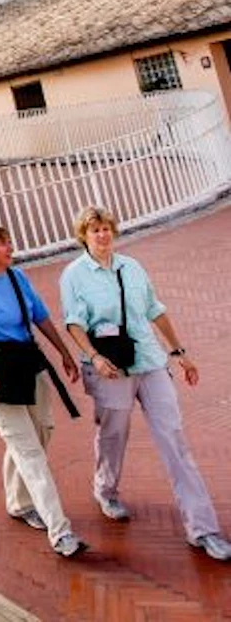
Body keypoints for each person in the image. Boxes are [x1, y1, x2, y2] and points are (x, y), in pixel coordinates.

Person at [60, 206, 231, 561]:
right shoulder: (74, 275)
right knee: (114, 435)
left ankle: (203, 529)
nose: (103, 234)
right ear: (84, 236)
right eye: (95, 230)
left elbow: (155, 309)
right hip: (110, 369)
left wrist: (179, 351)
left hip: (150, 362)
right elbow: (74, 323)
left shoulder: (132, 267)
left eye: (107, 228)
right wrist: (94, 356)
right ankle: (105, 490)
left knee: (174, 439)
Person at [0, 223, 87, 558]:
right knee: (30, 453)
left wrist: (64, 353)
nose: (9, 247)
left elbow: (41, 318)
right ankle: (60, 532)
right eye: (2, 243)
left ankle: (18, 502)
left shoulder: (17, 278)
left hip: (28, 366)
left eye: (9, 241)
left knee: (42, 432)